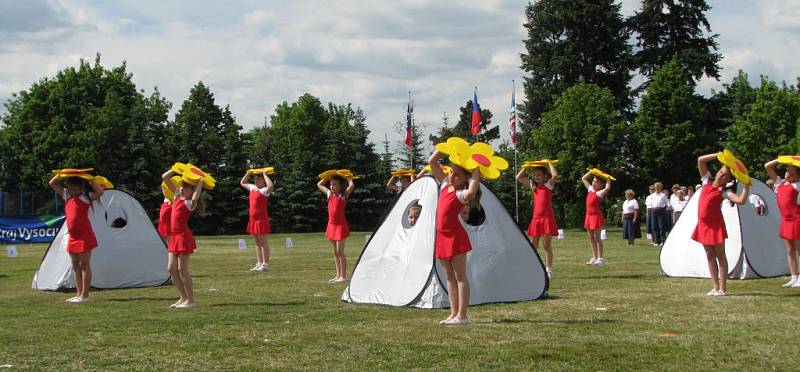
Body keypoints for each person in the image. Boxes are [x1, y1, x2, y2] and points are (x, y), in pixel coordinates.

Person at [429, 149, 480, 325]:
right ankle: (453, 313)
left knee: (460, 277)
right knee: (449, 277)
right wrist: (442, 149)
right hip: (442, 238)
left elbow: (472, 191)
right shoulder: (444, 184)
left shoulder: (461, 194)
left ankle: (462, 315)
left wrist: (476, 168)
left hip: (455, 238)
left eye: (457, 175)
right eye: (451, 172)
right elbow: (432, 162)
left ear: (465, 178)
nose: (452, 176)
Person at [694, 153, 750, 296]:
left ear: (729, 180)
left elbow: (741, 200)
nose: (720, 175)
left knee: (720, 256)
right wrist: (719, 155)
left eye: (725, 175)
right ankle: (715, 286)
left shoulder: (725, 191)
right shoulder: (706, 181)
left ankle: (723, 288)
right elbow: (700, 160)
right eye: (720, 171)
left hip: (715, 226)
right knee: (709, 255)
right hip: (703, 225)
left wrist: (746, 185)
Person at [49, 174, 103, 303]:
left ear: (81, 188)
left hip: (84, 235)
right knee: (75, 265)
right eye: (70, 188)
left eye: (75, 189)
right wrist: (62, 174)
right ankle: (78, 294)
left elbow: (100, 192)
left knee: (84, 264)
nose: (73, 191)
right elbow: (52, 183)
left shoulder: (86, 197)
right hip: (73, 236)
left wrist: (90, 179)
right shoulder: (67, 196)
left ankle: (85, 295)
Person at [162, 168, 206, 308]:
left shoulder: (189, 203)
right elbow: (165, 177)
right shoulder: (176, 196)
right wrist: (176, 169)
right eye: (181, 186)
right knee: (171, 269)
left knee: (182, 269)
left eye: (185, 188)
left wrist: (200, 181)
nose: (181, 189)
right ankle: (183, 297)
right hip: (174, 237)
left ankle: (190, 301)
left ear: (191, 191)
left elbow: (196, 195)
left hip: (183, 237)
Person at [516, 161, 558, 278]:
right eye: (535, 175)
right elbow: (518, 177)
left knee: (547, 245)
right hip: (536, 220)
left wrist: (549, 163)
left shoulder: (548, 185)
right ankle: (533, 267)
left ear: (545, 176)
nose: (536, 177)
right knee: (533, 245)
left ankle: (548, 269)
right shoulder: (533, 186)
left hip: (547, 219)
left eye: (539, 175)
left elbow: (555, 175)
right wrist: (526, 167)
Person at [765, 158, 800, 287]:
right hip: (785, 220)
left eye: (792, 172)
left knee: (799, 250)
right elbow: (768, 166)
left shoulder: (797, 185)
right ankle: (794, 276)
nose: (789, 174)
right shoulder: (779, 184)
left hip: (797, 219)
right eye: (788, 171)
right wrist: (781, 159)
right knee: (790, 250)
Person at [317, 174, 354, 283]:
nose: (331, 186)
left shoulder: (343, 195)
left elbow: (351, 186)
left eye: (334, 184)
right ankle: (338, 275)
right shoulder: (329, 194)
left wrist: (348, 177)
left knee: (340, 251)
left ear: (340, 186)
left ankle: (343, 276)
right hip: (331, 225)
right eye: (331, 184)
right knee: (335, 252)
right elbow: (319, 184)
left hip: (340, 226)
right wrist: (328, 176)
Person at [240, 170, 274, 272]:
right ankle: (259, 263)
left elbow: (271, 186)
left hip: (261, 219)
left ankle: (265, 264)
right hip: (253, 220)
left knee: (263, 242)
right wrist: (248, 173)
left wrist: (264, 174)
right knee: (257, 242)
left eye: (258, 179)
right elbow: (242, 182)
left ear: (263, 181)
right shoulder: (252, 188)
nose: (256, 181)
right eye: (255, 179)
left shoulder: (264, 190)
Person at [582, 171, 611, 265]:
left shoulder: (600, 193)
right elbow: (584, 178)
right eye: (593, 181)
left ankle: (600, 258)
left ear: (600, 185)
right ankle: (594, 257)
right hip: (588, 217)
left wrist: (608, 179)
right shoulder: (590, 189)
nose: (594, 183)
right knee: (591, 238)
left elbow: (607, 188)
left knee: (597, 238)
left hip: (596, 217)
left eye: (596, 182)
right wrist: (591, 171)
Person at [650, 182, 670, 247]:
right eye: (656, 187)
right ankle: (656, 241)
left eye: (658, 187)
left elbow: (667, 204)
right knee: (654, 226)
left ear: (661, 188)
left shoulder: (663, 195)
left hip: (661, 210)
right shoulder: (652, 195)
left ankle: (662, 241)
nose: (657, 188)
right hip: (653, 210)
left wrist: (663, 209)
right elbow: (651, 204)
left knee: (661, 226)